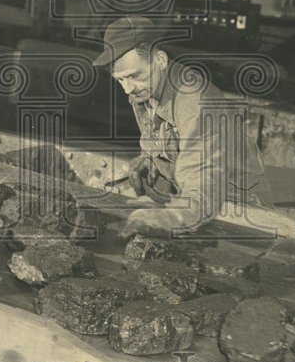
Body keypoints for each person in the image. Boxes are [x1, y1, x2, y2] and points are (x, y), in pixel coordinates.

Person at [92, 16, 270, 236]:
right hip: (191, 196)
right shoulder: (145, 88)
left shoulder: (195, 100)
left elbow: (204, 181)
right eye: (120, 80)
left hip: (234, 206)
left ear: (160, 60)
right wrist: (149, 159)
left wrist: (166, 218)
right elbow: (159, 136)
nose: (128, 89)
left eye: (134, 76)